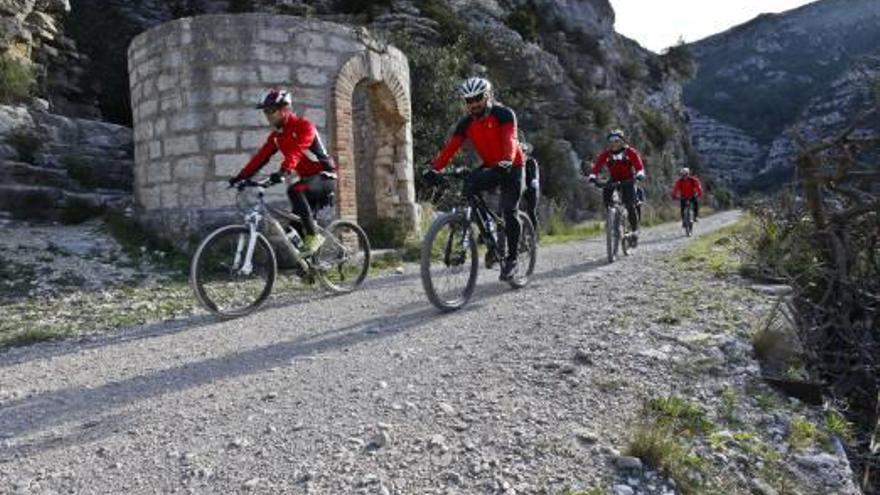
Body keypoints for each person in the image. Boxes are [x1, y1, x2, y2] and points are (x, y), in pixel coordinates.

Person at [423, 77, 525, 281]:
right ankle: (490, 236)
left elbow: (510, 139)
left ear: (487, 97)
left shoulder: (504, 114)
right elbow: (450, 148)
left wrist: (506, 160)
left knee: (509, 210)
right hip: (490, 165)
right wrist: (434, 169)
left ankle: (512, 259)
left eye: (477, 98)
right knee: (469, 189)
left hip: (512, 166)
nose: (473, 104)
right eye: (468, 100)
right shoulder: (466, 123)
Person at [228, 88, 337, 254]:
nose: (268, 115)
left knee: (294, 190)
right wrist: (241, 177)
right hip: (308, 182)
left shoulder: (304, 126)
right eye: (265, 111)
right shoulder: (276, 137)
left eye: (271, 110)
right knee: (293, 231)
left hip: (325, 177)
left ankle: (314, 237)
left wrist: (283, 171)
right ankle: (311, 267)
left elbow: (297, 151)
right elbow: (260, 158)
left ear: (284, 109)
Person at [587, 128, 646, 233]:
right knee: (606, 196)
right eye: (611, 141)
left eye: (617, 141)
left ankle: (634, 229)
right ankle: (612, 218)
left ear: (622, 141)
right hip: (614, 179)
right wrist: (593, 175)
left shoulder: (630, 152)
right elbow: (597, 166)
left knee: (630, 205)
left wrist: (640, 174)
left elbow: (639, 166)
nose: (614, 144)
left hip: (628, 179)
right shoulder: (606, 154)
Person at [520, 141, 540, 238]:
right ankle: (522, 235)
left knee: (531, 211)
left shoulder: (531, 162)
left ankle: (534, 235)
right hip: (522, 189)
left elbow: (534, 175)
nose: (522, 153)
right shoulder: (518, 162)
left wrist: (534, 181)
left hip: (532, 190)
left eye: (523, 151)